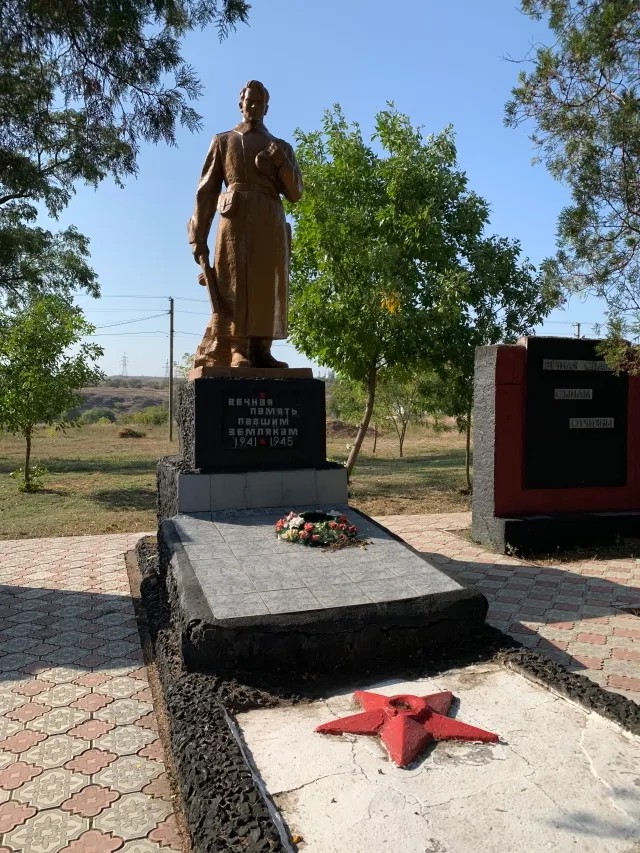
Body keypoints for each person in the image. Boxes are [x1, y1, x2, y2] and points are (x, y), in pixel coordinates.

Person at [187, 80, 303, 368]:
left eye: (258, 102)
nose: (252, 107)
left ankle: (262, 348)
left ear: (266, 107)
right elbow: (206, 191)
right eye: (247, 102)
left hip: (269, 218)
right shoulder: (224, 140)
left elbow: (295, 193)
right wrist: (198, 237)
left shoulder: (282, 147)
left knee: (268, 282)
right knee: (234, 281)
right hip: (235, 219)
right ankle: (238, 348)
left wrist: (281, 164)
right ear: (240, 105)